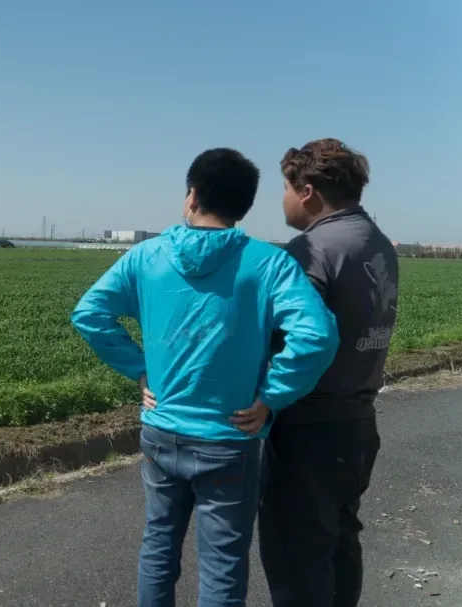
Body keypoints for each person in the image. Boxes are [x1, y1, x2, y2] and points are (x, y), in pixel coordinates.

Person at [71, 147, 339, 607]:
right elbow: (317, 336)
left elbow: (90, 314)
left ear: (192, 196)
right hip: (230, 438)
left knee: (158, 546)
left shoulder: (146, 256)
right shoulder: (267, 262)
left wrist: (139, 369)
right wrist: (272, 396)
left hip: (161, 429)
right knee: (222, 564)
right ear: (244, 206)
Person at [257, 138, 398, 607]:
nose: (283, 199)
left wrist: (266, 397)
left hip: (308, 428)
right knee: (339, 542)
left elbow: (294, 341)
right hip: (358, 423)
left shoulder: (311, 250)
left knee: (298, 558)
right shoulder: (376, 241)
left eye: (285, 187)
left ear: (307, 191)